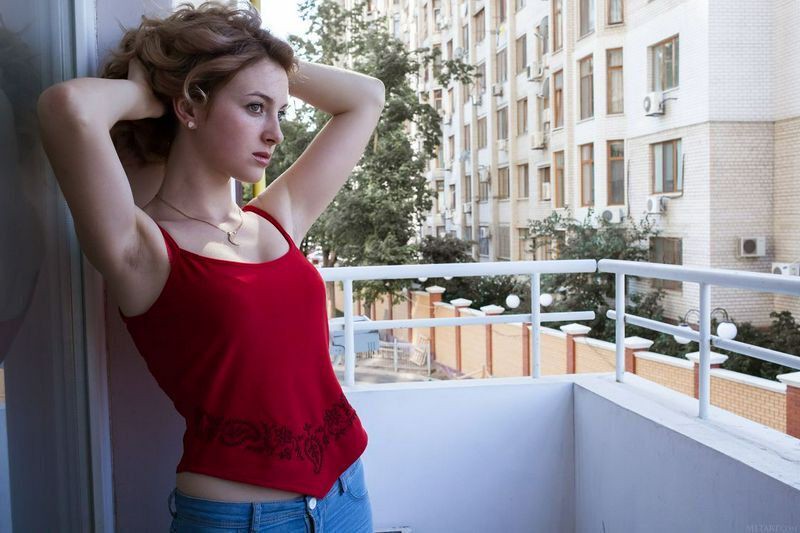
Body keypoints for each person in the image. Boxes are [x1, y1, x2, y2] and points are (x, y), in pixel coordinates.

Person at [36, 2, 384, 531]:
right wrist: (152, 92)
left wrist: (258, 62)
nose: (275, 133)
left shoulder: (277, 218)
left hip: (346, 494)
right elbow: (68, 108)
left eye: (280, 111)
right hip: (241, 519)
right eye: (254, 108)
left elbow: (366, 97)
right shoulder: (143, 248)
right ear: (189, 107)